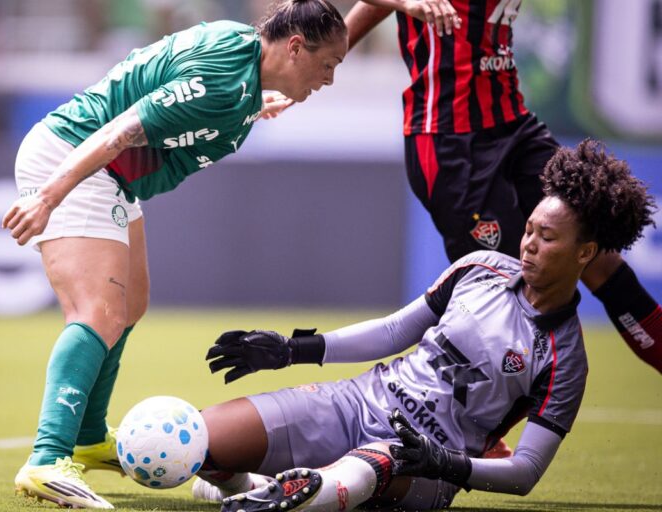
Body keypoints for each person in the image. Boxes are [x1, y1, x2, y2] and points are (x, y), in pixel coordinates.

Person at [2, 1, 348, 508]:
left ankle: (90, 437)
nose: (330, 79)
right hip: (76, 159)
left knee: (130, 305)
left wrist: (253, 107)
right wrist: (48, 198)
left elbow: (183, 96)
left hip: (111, 173)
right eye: (328, 64)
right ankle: (47, 459)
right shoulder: (221, 83)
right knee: (98, 313)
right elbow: (121, 131)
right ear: (295, 47)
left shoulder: (239, 58)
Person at [195, 139, 656, 511]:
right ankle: (252, 487)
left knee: (374, 463)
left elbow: (525, 472)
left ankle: (302, 492)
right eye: (530, 229)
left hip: (424, 462)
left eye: (547, 237)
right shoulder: (479, 268)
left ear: (585, 253)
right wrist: (291, 350)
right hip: (355, 404)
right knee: (196, 440)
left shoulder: (565, 358)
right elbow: (394, 332)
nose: (529, 244)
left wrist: (445, 464)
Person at [339, 0, 662, 373]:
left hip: (514, 124)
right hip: (449, 142)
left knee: (599, 257)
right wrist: (329, 51)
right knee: (509, 295)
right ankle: (439, 404)